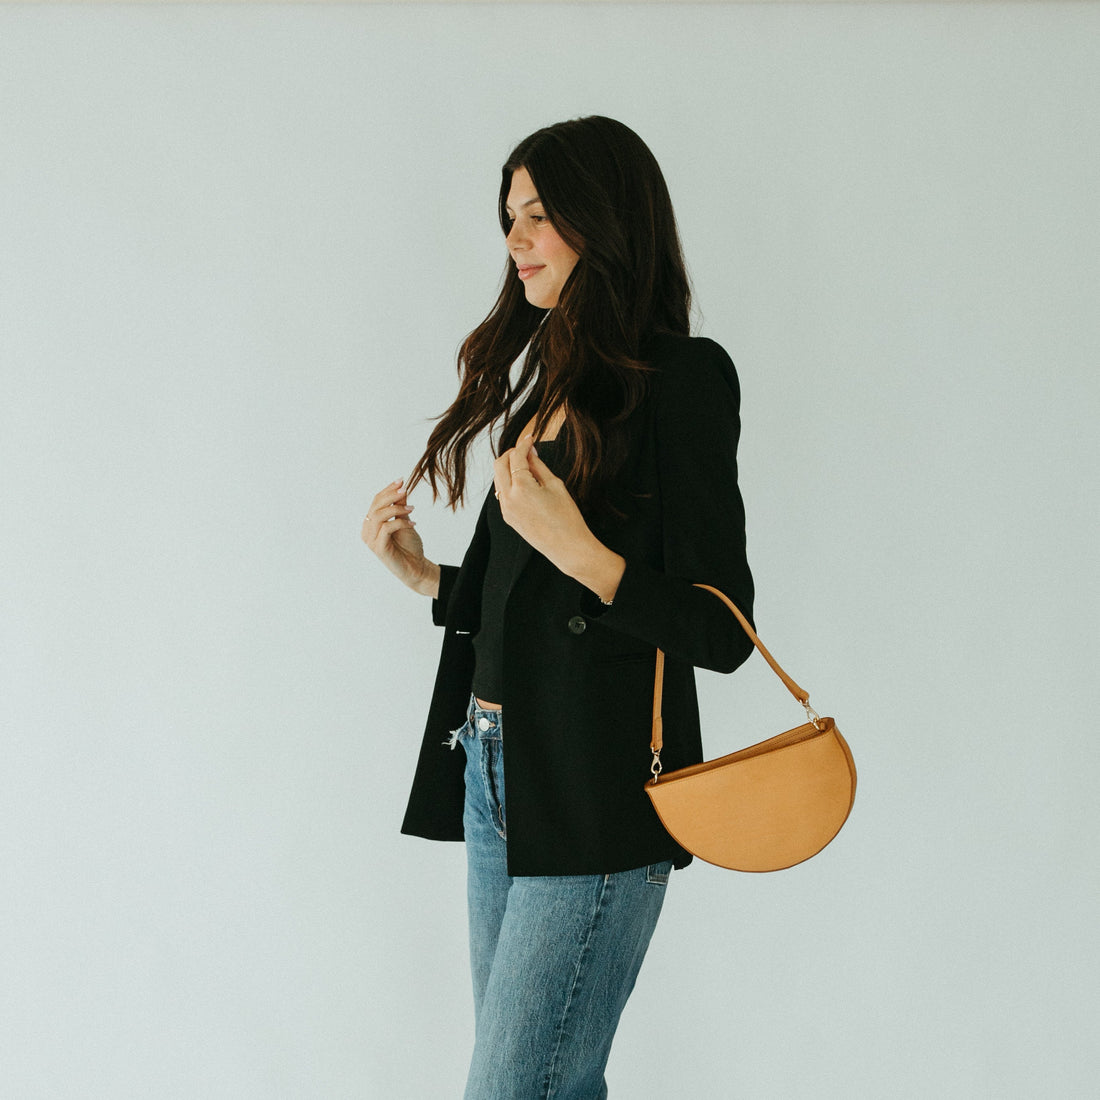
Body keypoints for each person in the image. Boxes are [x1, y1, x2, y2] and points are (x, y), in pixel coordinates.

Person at [362, 116, 754, 1099]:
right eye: (508, 218)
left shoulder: (681, 379)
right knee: (547, 1086)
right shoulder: (546, 378)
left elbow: (721, 625)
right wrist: (424, 578)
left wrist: (582, 550)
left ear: (603, 221)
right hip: (495, 767)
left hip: (595, 790)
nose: (515, 240)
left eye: (539, 215)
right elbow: (520, 600)